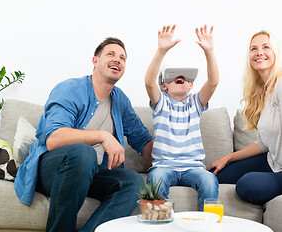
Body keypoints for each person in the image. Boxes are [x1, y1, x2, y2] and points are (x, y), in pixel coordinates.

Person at [14, 37, 154, 232]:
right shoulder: (71, 89)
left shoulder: (120, 100)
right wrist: (104, 136)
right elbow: (54, 138)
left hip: (91, 173)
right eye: (110, 54)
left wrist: (179, 156)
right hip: (54, 171)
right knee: (83, 153)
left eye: (122, 58)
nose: (117, 60)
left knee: (134, 181)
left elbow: (144, 141)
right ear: (95, 61)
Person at [207, 30, 282, 205]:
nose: (259, 52)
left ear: (276, 53)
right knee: (217, 174)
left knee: (247, 185)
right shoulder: (264, 90)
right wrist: (228, 158)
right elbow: (265, 143)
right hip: (276, 163)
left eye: (266, 47)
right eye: (254, 49)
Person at [144, 24, 219, 211]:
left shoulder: (195, 103)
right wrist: (161, 51)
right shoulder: (161, 103)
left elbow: (213, 82)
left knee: (210, 180)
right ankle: (157, 224)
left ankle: (207, 225)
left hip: (193, 167)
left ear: (191, 86)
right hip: (164, 166)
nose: (180, 77)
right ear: (164, 86)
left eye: (185, 77)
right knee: (156, 180)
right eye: (174, 76)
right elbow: (148, 81)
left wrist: (209, 51)